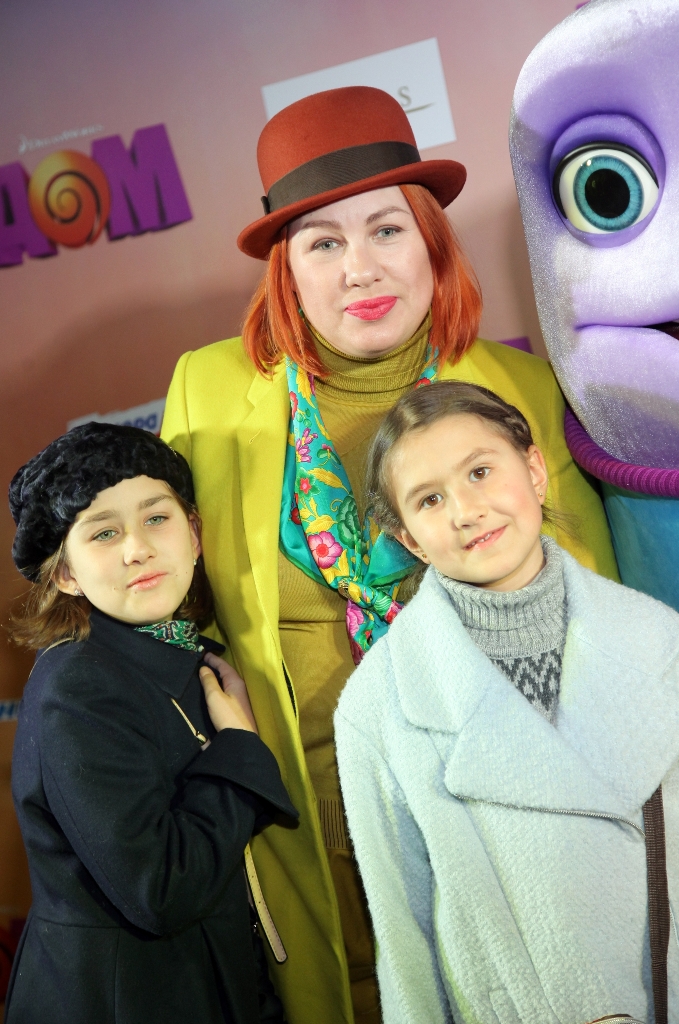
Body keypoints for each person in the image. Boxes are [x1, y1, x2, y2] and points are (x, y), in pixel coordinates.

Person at [161, 86, 619, 1024]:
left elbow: (595, 618)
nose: (360, 269)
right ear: (287, 271)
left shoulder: (525, 388)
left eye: (386, 230)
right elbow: (168, 601)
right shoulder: (206, 392)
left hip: (505, 818)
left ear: (431, 244)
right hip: (310, 824)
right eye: (323, 244)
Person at [334, 380, 679, 1024]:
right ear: (409, 537)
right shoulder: (377, 707)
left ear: (534, 470)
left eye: (480, 472)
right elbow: (404, 940)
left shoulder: (660, 638)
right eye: (429, 499)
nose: (466, 510)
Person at [5, 422, 297, 1024]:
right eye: (104, 532)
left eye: (156, 518)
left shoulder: (188, 653)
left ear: (194, 534)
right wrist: (239, 746)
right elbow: (160, 889)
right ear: (65, 574)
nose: (136, 548)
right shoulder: (78, 686)